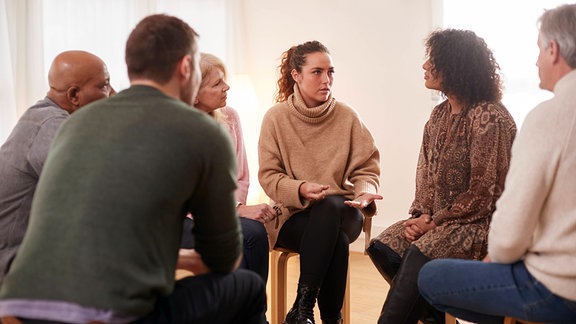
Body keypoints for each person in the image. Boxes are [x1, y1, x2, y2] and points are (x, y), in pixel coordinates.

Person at [0, 14, 267, 324]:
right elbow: (224, 257)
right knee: (247, 286)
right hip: (99, 314)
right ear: (185, 68)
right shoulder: (202, 130)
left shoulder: (76, 123)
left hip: (18, 307)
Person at [418, 4, 576, 324]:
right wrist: (423, 214)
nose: (535, 61)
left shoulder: (546, 117)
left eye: (538, 50)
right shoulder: (437, 115)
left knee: (431, 276)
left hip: (557, 290)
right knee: (397, 250)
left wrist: (499, 254)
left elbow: (507, 229)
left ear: (554, 49)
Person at [366, 29, 517, 324]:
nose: (425, 66)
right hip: (439, 221)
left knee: (421, 250)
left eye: (432, 59)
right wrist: (421, 215)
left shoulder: (490, 117)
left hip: (480, 224)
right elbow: (425, 176)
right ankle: (436, 318)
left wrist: (433, 224)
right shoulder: (438, 115)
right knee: (384, 246)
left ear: (453, 64)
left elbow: (485, 192)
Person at [258, 40, 382, 324]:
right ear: (296, 75)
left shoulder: (347, 117)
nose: (326, 80)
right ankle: (330, 318)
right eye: (317, 72)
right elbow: (268, 176)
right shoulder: (276, 119)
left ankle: (302, 309)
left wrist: (365, 193)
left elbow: (367, 169)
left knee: (329, 208)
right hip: (294, 215)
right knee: (334, 241)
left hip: (343, 209)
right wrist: (300, 189)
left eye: (330, 72)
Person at [0, 50, 112, 287]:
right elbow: (95, 191)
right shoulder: (52, 126)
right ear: (74, 95)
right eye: (104, 86)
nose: (112, 95)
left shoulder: (45, 117)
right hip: (11, 262)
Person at [182, 52, 273, 282]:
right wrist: (235, 210)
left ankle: (255, 312)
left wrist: (235, 207)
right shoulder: (176, 128)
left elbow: (241, 176)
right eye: (217, 83)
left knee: (255, 232)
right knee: (237, 238)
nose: (227, 87)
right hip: (182, 219)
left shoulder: (230, 117)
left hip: (223, 212)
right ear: (194, 95)